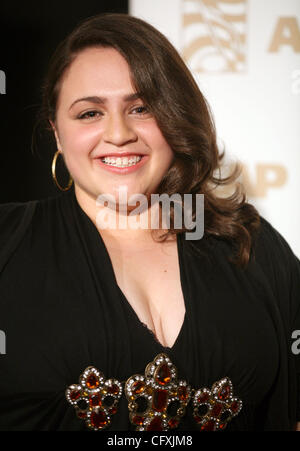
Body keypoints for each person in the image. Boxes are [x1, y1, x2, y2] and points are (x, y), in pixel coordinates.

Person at [0, 13, 299, 432]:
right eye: (89, 113)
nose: (119, 133)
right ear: (56, 130)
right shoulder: (8, 244)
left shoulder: (252, 248)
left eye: (141, 108)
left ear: (175, 116)